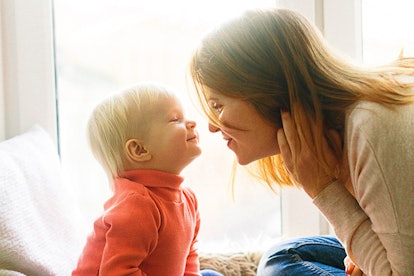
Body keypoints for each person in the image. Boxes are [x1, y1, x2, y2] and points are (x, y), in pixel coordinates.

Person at [188, 8, 414, 276]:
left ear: (268, 90)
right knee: (282, 257)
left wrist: (324, 190)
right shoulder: (347, 129)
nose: (213, 126)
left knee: (279, 269)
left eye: (217, 105)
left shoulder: (371, 127)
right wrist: (359, 255)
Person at [72, 83, 223, 276]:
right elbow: (117, 273)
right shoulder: (137, 206)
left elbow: (189, 255)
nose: (191, 122)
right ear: (140, 150)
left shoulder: (188, 198)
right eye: (176, 119)